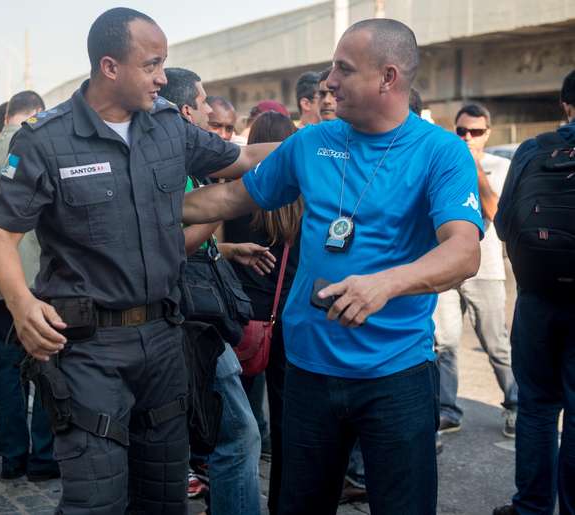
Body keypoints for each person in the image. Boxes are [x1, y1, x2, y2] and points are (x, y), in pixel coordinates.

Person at [0, 8, 277, 514]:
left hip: (164, 341)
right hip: (90, 349)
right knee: (96, 499)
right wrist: (21, 303)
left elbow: (242, 160)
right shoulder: (45, 139)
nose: (163, 77)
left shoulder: (166, 126)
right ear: (110, 66)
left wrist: (328, 145)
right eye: (153, 64)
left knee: (164, 499)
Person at [183, 18, 484, 514]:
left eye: (343, 69)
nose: (328, 81)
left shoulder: (441, 152)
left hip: (397, 376)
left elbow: (463, 251)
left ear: (388, 77)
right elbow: (232, 197)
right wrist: (143, 210)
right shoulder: (310, 143)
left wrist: (385, 284)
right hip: (306, 372)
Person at [161, 66, 267, 515]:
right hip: (189, 322)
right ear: (186, 111)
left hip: (194, 316)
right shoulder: (173, 161)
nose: (210, 112)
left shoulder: (181, 159)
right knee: (239, 433)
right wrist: (218, 203)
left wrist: (224, 247)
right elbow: (172, 242)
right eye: (204, 104)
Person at [0, 89, 59, 481]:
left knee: (5, 369)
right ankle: (43, 458)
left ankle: (12, 456)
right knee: (48, 364)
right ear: (36, 113)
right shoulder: (43, 145)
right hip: (37, 276)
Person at [492, 69, 575, 515]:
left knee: (538, 407)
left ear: (565, 104)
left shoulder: (533, 149)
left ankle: (531, 506)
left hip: (538, 298)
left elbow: (504, 223)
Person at [223, 110, 301, 514]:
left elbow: (213, 250)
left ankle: (238, 500)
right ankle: (283, 502)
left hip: (241, 321)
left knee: (240, 426)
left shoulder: (239, 194)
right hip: (288, 321)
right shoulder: (304, 199)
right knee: (287, 422)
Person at [433, 103, 518, 437]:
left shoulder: (502, 166)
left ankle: (515, 404)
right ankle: (448, 410)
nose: (468, 137)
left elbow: (497, 211)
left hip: (486, 269)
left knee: (496, 343)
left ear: (488, 133)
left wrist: (475, 169)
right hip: (448, 267)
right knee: (446, 343)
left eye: (476, 132)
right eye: (461, 131)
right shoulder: (445, 162)